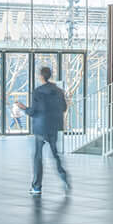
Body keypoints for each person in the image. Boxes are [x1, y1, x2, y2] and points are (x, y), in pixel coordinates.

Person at [26, 66, 72, 194]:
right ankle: (64, 178)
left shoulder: (38, 91)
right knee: (55, 155)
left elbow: (33, 111)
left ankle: (36, 187)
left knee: (38, 157)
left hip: (41, 127)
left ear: (41, 76)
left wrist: (24, 108)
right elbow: (63, 107)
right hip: (53, 126)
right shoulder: (58, 91)